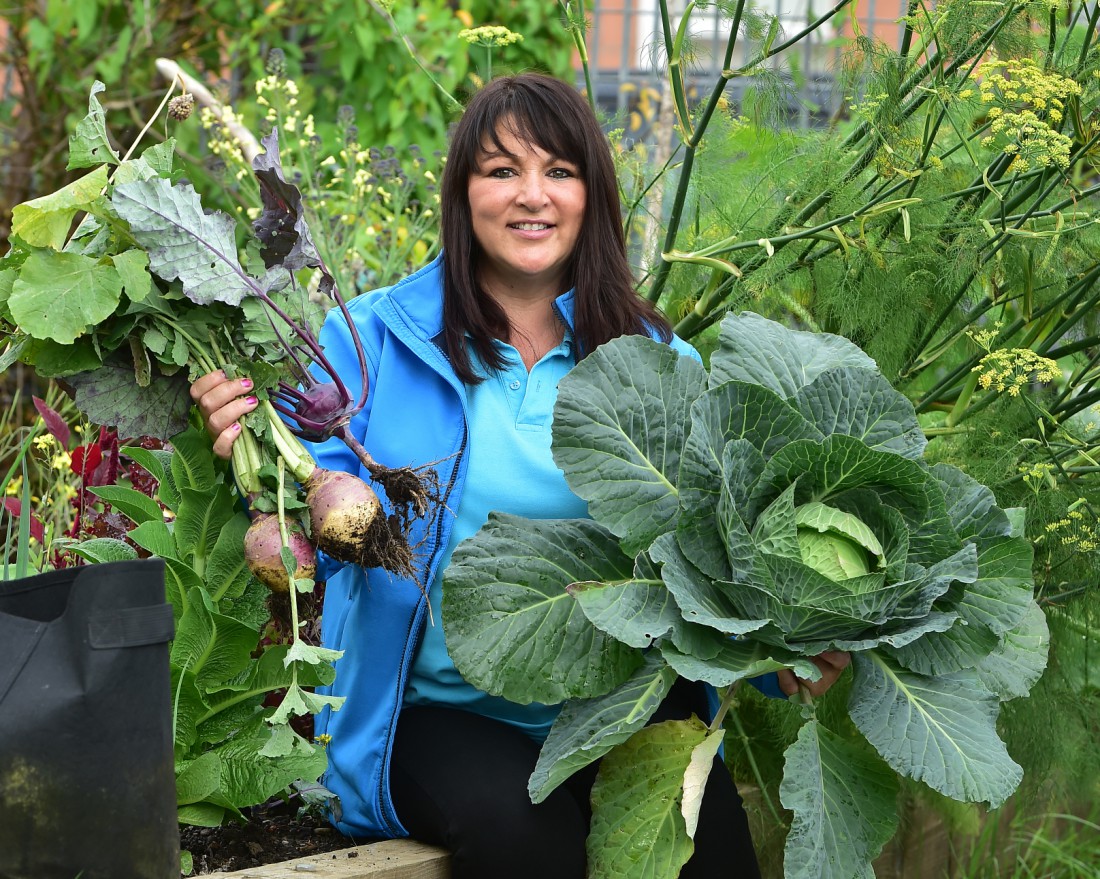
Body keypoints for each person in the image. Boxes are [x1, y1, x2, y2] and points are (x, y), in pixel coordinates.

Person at [191, 73, 850, 878]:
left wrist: (787, 656)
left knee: (708, 853)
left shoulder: (660, 362)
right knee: (523, 837)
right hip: (437, 709)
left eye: (559, 171)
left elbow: (715, 550)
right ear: (463, 192)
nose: (531, 195)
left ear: (592, 196)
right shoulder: (373, 340)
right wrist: (243, 444)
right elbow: (313, 525)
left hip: (621, 703)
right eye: (502, 170)